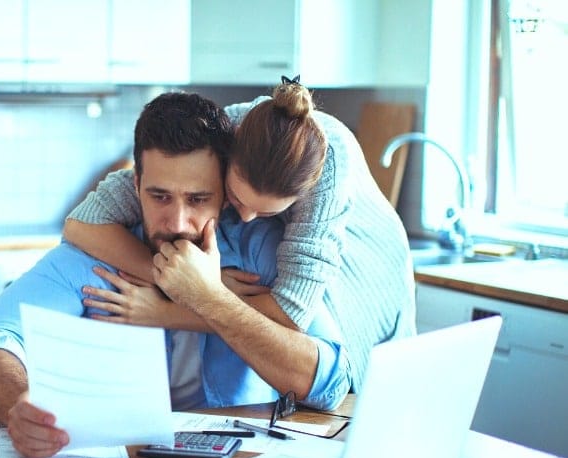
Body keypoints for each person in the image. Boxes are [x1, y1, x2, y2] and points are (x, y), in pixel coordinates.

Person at [0, 92, 351, 458]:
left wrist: (210, 297)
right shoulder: (95, 254)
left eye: (199, 199)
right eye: (160, 196)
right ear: (135, 187)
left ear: (225, 194)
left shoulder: (260, 253)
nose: (178, 222)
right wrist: (18, 402)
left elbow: (330, 382)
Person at [64, 77, 416, 393]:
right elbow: (82, 224)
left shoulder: (327, 166)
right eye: (234, 198)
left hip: (373, 273)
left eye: (266, 214)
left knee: (370, 391)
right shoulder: (215, 138)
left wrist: (181, 303)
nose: (246, 218)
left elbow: (290, 316)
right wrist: (182, 279)